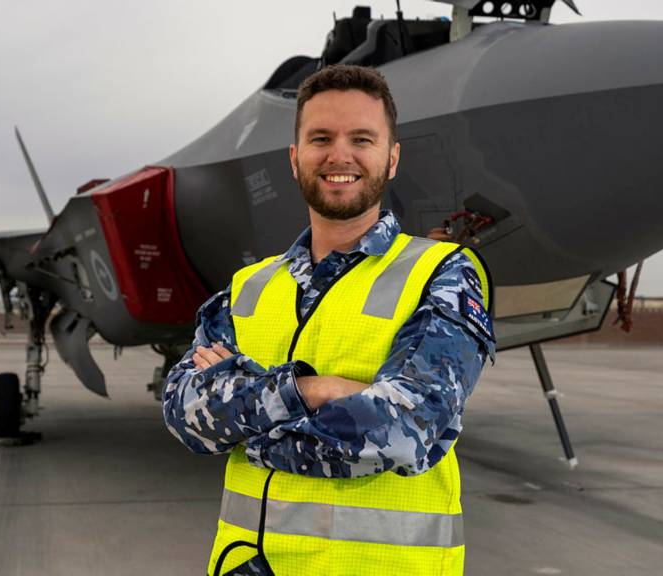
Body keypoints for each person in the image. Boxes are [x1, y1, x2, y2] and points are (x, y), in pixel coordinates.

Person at [163, 64, 495, 576]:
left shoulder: (442, 273)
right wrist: (313, 391)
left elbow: (406, 428)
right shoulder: (251, 286)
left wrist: (245, 418)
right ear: (295, 160)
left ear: (391, 159)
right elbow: (185, 413)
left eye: (362, 138)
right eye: (321, 138)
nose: (340, 156)